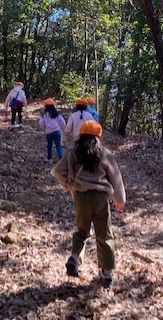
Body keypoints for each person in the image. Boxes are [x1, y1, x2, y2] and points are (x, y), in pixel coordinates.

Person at [52, 120, 126, 288]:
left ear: (81, 135)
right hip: (101, 198)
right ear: (98, 137)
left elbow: (57, 171)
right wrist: (119, 201)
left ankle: (75, 258)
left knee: (82, 231)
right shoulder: (105, 154)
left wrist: (69, 185)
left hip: (81, 197)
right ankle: (106, 274)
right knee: (105, 234)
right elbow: (116, 179)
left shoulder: (73, 153)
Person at [38, 98, 66, 162]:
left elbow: (41, 123)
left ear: (46, 106)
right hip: (57, 131)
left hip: (49, 132)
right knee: (58, 145)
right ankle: (61, 157)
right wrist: (61, 128)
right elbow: (63, 122)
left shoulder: (44, 115)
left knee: (49, 146)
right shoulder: (57, 114)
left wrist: (44, 128)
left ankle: (50, 159)